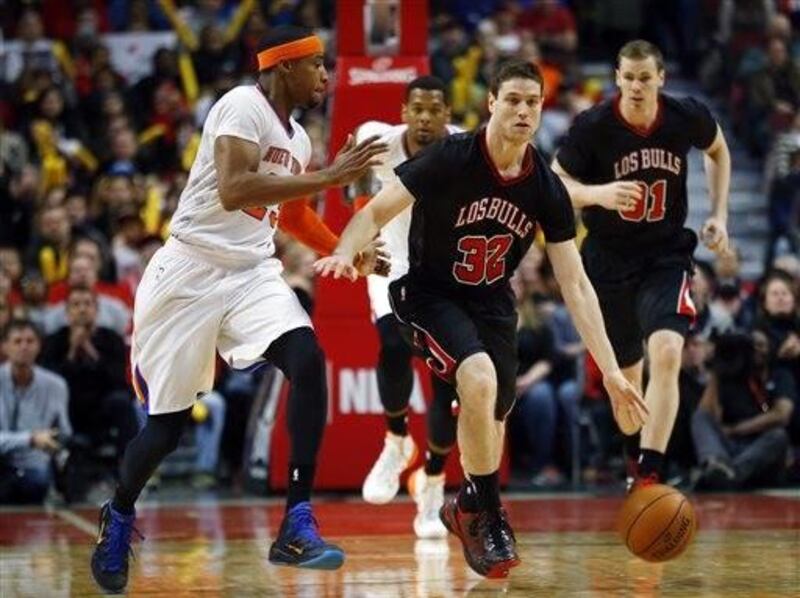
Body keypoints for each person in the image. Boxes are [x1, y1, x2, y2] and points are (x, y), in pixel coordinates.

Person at [315, 60, 647, 579]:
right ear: (490, 102)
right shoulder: (451, 156)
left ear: (541, 110)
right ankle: (486, 511)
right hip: (425, 291)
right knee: (477, 375)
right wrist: (345, 250)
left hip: (491, 301)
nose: (522, 110)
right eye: (512, 99)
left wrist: (610, 370)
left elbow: (576, 285)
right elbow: (373, 211)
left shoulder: (545, 186)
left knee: (493, 415)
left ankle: (464, 504)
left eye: (532, 102)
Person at [90, 25, 388, 593]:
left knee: (307, 359)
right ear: (283, 69)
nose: (326, 75)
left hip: (251, 272)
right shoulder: (240, 104)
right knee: (167, 429)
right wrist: (328, 176)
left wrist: (349, 251)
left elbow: (294, 215)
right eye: (317, 64)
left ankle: (297, 520)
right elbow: (234, 188)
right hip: (190, 271)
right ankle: (120, 511)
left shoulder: (297, 139)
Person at [552, 39, 732, 489]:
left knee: (668, 352)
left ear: (661, 79)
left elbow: (718, 150)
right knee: (627, 381)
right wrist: (598, 195)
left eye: (644, 78)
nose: (635, 86)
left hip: (665, 253)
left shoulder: (684, 114)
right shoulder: (592, 127)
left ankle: (652, 473)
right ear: (617, 78)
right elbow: (555, 184)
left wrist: (719, 214)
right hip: (607, 259)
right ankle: (636, 457)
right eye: (628, 77)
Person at [352, 76, 460, 539]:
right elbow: (351, 184)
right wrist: (362, 232)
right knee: (392, 347)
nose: (424, 118)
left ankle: (432, 481)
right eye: (417, 108)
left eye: (434, 109)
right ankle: (396, 440)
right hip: (391, 267)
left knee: (447, 385)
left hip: (448, 278)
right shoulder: (376, 139)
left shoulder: (466, 149)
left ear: (447, 115)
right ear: (403, 110)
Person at [0, 319, 71, 504]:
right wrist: (31, 438)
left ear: (39, 346)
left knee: (38, 478)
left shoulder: (56, 385)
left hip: (34, 463)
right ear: (4, 347)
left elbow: (64, 432)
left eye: (30, 341)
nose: (24, 347)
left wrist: (54, 439)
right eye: (17, 341)